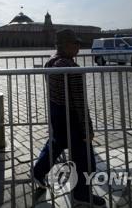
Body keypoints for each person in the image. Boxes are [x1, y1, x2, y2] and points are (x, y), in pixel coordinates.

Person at [33, 29, 106, 207]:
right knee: (85, 159)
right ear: (65, 45)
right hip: (71, 117)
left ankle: (38, 171)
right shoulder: (71, 68)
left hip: (56, 113)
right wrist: (87, 129)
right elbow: (79, 103)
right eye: (76, 44)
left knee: (57, 143)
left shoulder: (50, 62)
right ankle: (81, 195)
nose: (79, 47)